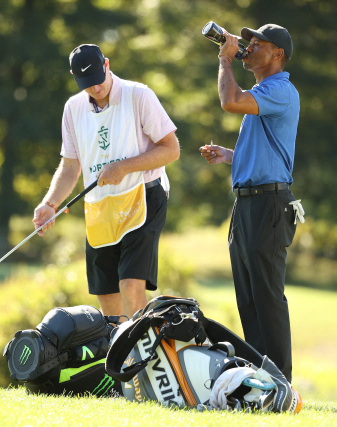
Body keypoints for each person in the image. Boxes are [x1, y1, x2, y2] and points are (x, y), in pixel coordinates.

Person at [33, 44, 180, 318]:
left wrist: (123, 167)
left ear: (107, 65)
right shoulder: (73, 108)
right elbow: (70, 165)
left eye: (98, 80)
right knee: (106, 294)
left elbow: (171, 150)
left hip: (143, 198)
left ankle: (140, 357)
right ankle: (121, 357)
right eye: (87, 84)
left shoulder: (138, 95)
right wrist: (50, 203)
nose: (96, 89)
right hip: (101, 206)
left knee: (130, 283)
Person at [199, 24, 303, 382]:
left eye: (259, 43)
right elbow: (263, 151)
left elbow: (229, 101)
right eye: (248, 41)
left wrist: (225, 61)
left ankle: (280, 381)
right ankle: (260, 377)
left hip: (269, 205)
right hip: (246, 206)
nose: (249, 46)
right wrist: (230, 155)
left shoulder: (280, 89)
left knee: (267, 297)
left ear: (277, 55)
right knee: (248, 297)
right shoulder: (263, 91)